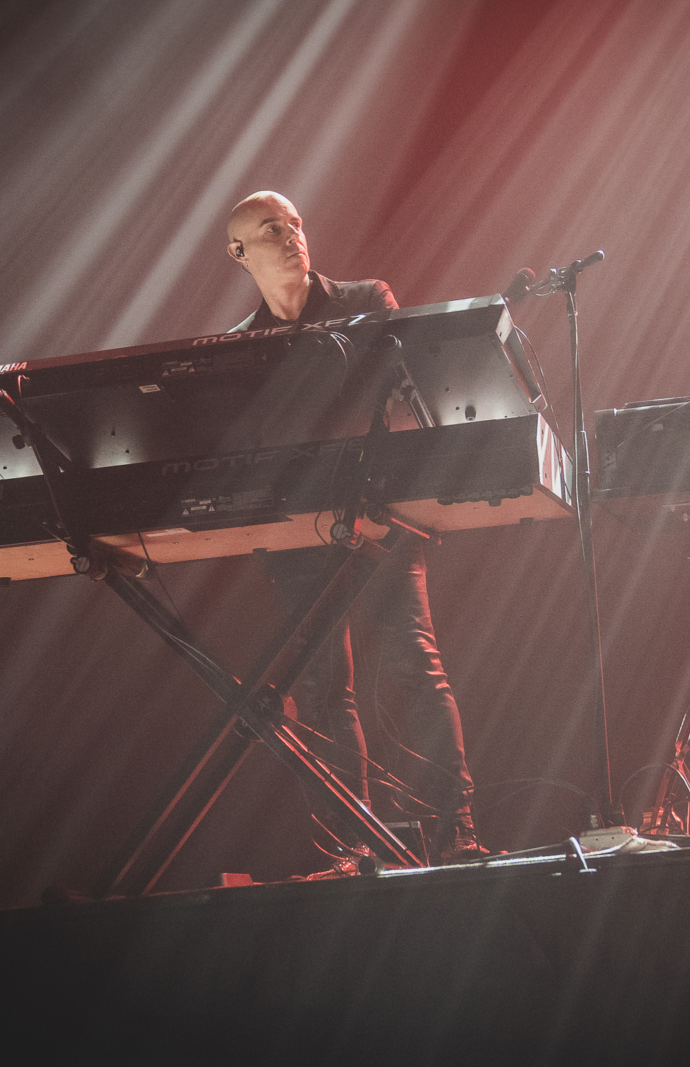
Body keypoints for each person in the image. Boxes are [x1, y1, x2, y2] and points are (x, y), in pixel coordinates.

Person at [225, 191, 483, 865]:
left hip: (381, 510)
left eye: (296, 224)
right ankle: (354, 846)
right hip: (294, 528)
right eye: (271, 229)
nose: (291, 237)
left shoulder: (366, 298)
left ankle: (456, 832)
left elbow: (390, 393)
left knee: (413, 664)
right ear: (239, 252)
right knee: (320, 689)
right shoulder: (236, 348)